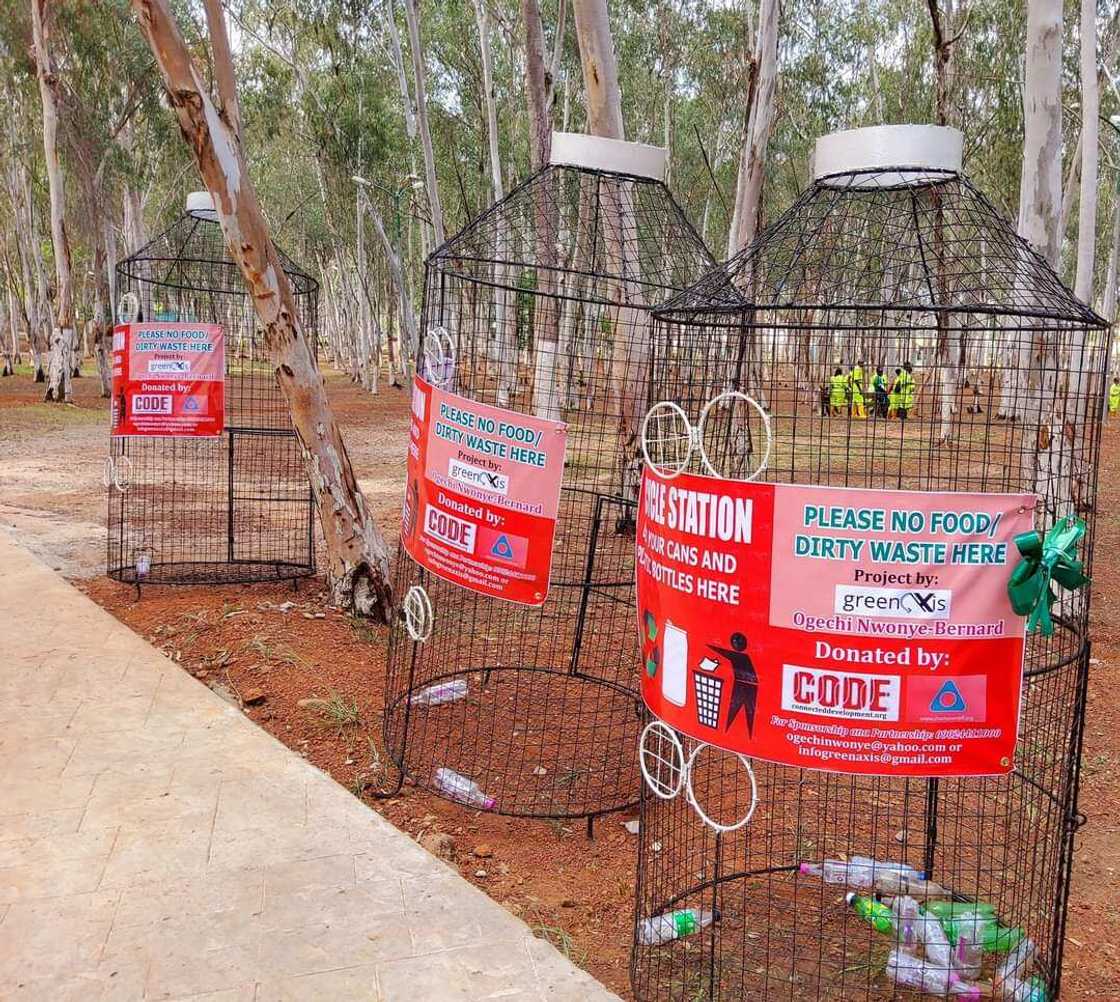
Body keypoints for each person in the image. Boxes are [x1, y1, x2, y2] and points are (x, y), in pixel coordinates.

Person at [707, 632, 759, 738]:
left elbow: (723, 652)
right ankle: (733, 734)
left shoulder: (740, 656)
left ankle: (744, 737)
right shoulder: (743, 656)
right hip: (747, 683)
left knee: (743, 711)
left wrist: (711, 645)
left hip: (748, 684)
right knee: (740, 710)